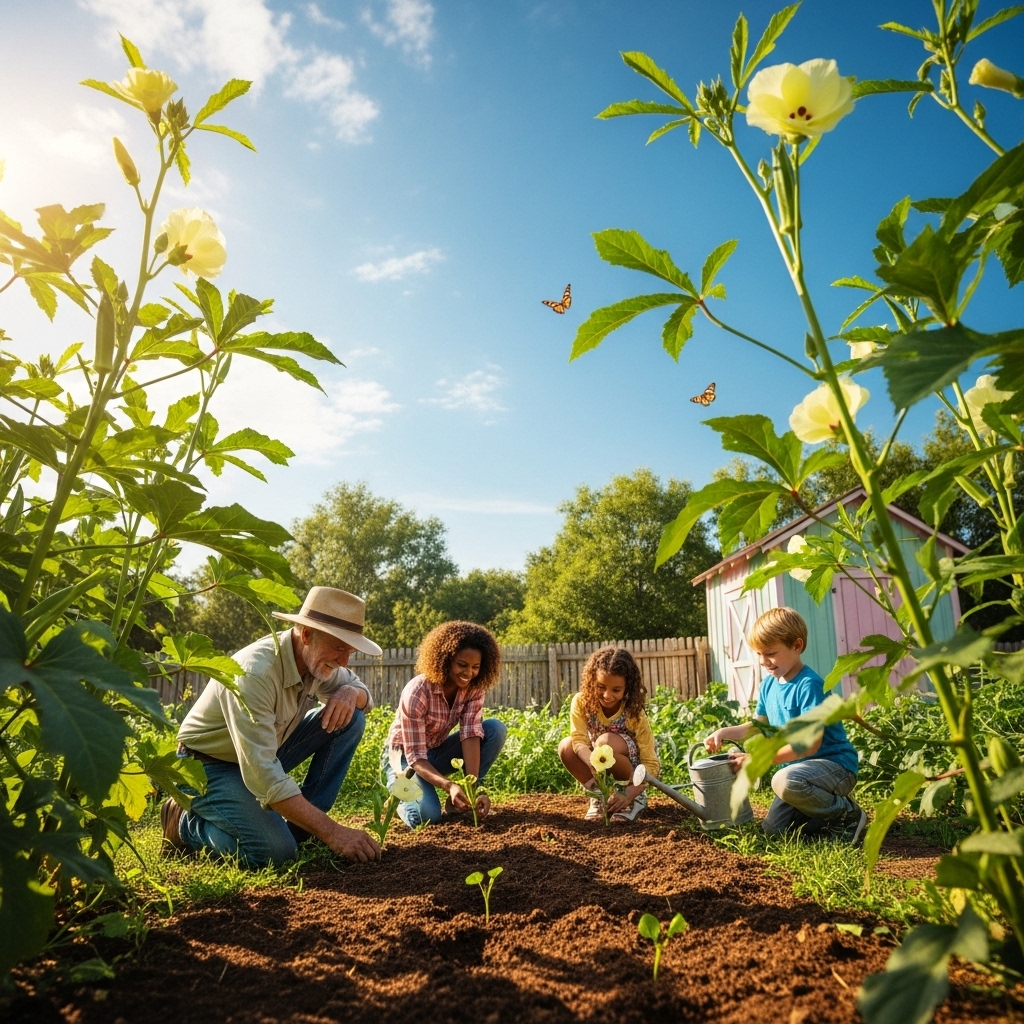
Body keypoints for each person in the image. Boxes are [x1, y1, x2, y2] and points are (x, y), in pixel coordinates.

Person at [161, 587, 383, 867]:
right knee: (273, 854)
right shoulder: (255, 673)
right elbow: (264, 775)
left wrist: (351, 693)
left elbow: (364, 694)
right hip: (206, 766)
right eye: (339, 648)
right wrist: (334, 833)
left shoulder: (315, 660)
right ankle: (184, 823)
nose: (344, 661)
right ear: (306, 634)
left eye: (349, 651)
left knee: (351, 717)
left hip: (261, 754)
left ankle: (303, 828)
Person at [705, 606, 866, 844]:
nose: (763, 661)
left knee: (784, 781)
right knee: (774, 831)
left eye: (770, 653)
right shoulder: (770, 686)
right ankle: (821, 817)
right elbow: (758, 725)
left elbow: (810, 745)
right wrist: (724, 732)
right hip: (801, 772)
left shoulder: (809, 685)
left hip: (835, 767)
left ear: (797, 646)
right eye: (758, 654)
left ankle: (847, 815)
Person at [383, 621, 507, 827]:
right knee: (425, 817)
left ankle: (456, 804)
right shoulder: (418, 692)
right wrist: (449, 785)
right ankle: (398, 796)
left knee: (494, 730)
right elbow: (415, 757)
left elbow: (470, 734)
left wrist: (472, 789)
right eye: (462, 665)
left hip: (434, 752)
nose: (469, 673)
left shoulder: (473, 688)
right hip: (404, 759)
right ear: (445, 659)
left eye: (476, 667)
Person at [557, 646, 659, 823]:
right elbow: (579, 740)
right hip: (597, 762)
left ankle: (632, 801)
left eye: (616, 690)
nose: (607, 695)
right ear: (592, 681)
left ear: (627, 687)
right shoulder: (581, 702)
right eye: (601, 687)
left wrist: (631, 792)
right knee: (566, 746)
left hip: (629, 773)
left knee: (605, 743)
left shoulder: (634, 712)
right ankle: (600, 796)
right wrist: (592, 761)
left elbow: (651, 764)